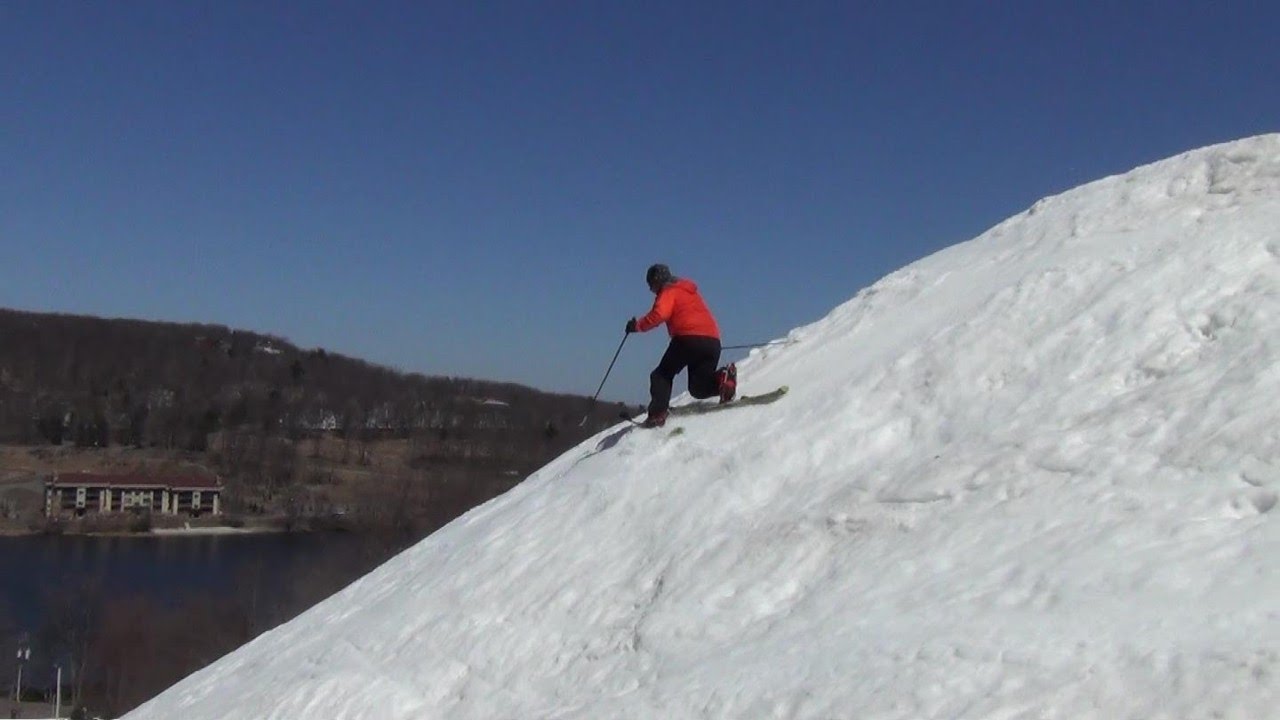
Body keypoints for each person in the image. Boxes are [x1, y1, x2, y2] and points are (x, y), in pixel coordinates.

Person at [626, 263, 736, 428]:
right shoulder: (690, 292)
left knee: (661, 375)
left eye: (651, 285)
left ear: (658, 281)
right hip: (712, 341)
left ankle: (657, 414)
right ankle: (723, 379)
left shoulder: (669, 290)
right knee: (698, 388)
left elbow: (660, 314)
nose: (651, 290)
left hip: (687, 339)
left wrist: (637, 326)